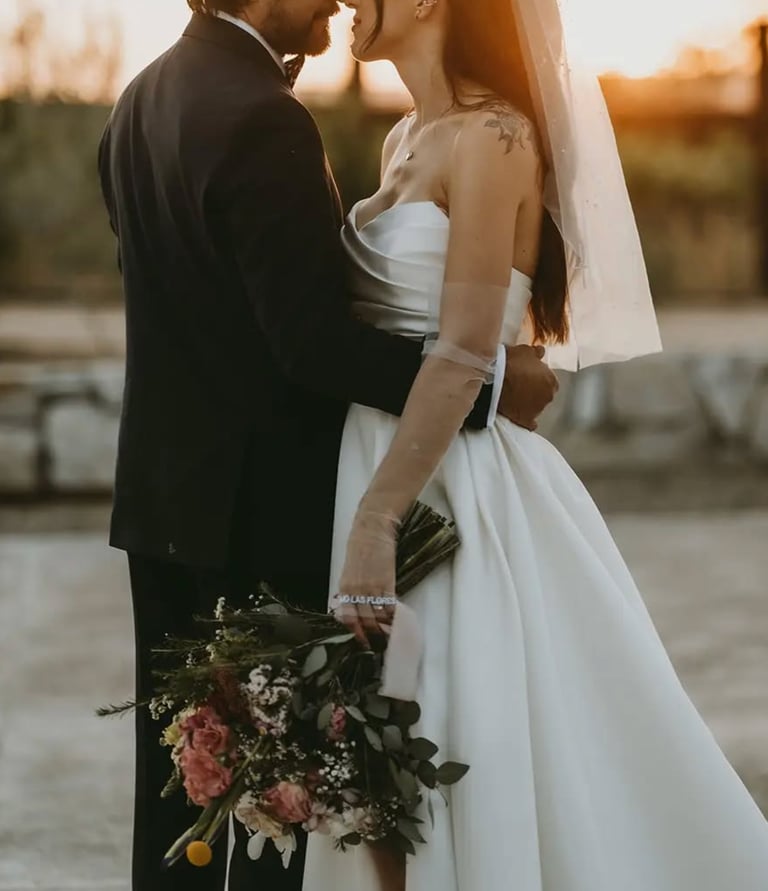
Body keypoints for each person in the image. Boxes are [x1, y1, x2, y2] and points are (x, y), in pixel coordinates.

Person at [303, 0, 768, 889]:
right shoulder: (407, 134)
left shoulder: (496, 137)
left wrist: (378, 518)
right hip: (373, 465)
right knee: (372, 753)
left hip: (446, 493)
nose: (347, 1)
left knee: (444, 739)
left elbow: (466, 350)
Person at [96, 0, 559, 889]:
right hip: (258, 511)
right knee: (279, 805)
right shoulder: (265, 115)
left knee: (184, 796)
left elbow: (193, 308)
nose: (338, 1)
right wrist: (493, 386)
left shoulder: (139, 98)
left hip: (161, 503)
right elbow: (307, 343)